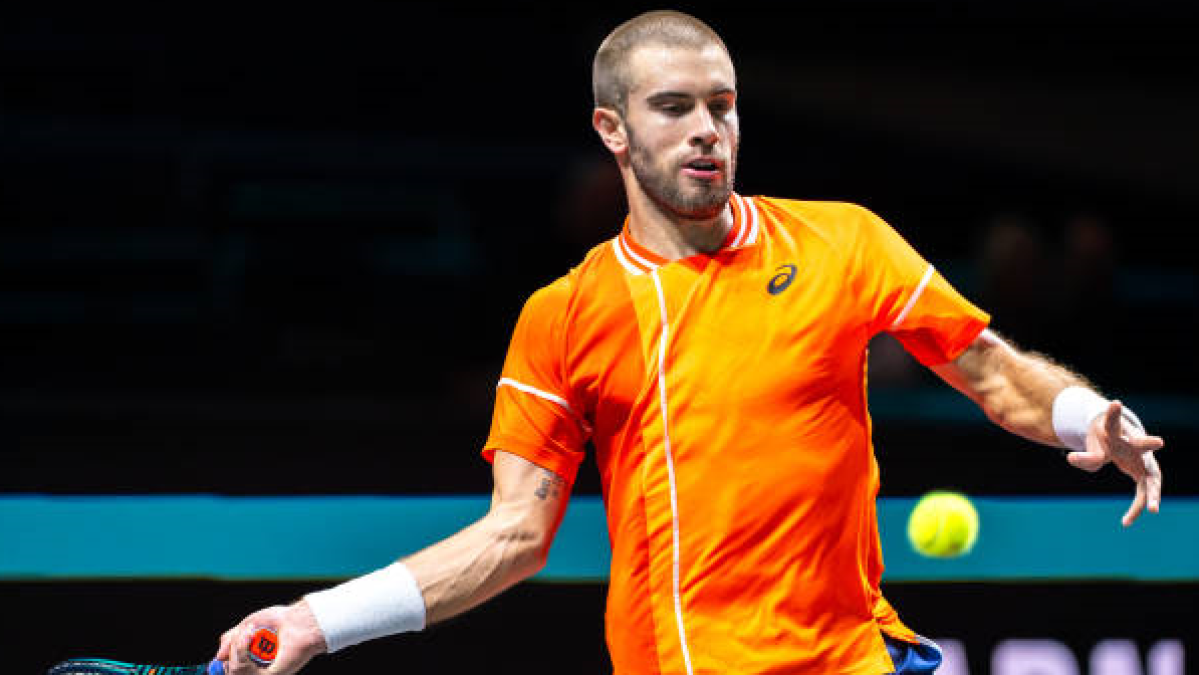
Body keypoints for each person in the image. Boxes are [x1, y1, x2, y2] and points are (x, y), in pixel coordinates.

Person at [215, 10, 1166, 675]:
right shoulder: (566, 312)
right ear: (614, 130)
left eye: (725, 103)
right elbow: (512, 537)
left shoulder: (842, 240)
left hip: (848, 659)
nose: (709, 130)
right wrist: (316, 620)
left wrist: (1090, 413)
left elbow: (991, 371)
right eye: (675, 108)